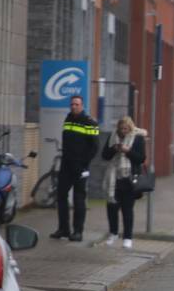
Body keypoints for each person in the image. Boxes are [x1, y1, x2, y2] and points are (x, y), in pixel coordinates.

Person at [50, 95, 99, 242]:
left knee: (79, 199)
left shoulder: (89, 122)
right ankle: (63, 229)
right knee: (61, 197)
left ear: (82, 106)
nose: (74, 107)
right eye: (72, 104)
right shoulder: (68, 119)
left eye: (76, 104)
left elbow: (94, 147)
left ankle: (78, 232)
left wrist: (84, 164)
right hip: (66, 165)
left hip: (80, 167)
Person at [102, 117, 147, 249]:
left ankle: (128, 237)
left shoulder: (138, 138)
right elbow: (104, 155)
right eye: (121, 129)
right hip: (113, 178)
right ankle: (113, 233)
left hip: (129, 178)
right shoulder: (112, 137)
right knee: (112, 207)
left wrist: (128, 151)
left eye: (126, 129)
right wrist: (114, 149)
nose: (123, 132)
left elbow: (141, 158)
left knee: (127, 209)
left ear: (131, 128)